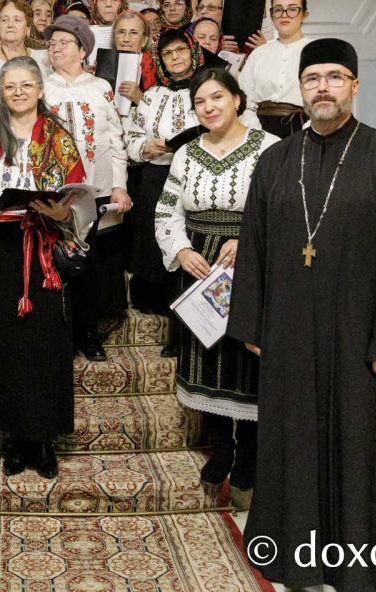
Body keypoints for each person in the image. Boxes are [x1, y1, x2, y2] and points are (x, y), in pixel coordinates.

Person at [227, 38, 376, 592]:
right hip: (290, 332)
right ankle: (297, 559)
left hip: (363, 338)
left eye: (335, 77)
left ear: (354, 85)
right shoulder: (275, 161)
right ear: (301, 90)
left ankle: (364, 564)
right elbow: (254, 244)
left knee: (362, 444)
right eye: (313, 79)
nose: (323, 88)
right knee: (296, 441)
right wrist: (254, 322)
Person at [0, 57, 91, 478]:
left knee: (42, 343)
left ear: (40, 89)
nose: (19, 93)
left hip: (42, 249)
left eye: (26, 85)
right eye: (10, 87)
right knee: (2, 342)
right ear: (2, 92)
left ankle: (41, 440)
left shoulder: (58, 136)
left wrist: (63, 213)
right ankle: (12, 437)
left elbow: (80, 196)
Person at [153, 67, 278, 510]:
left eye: (217, 98)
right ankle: (221, 450)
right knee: (208, 358)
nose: (208, 108)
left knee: (247, 359)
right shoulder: (186, 154)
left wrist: (248, 240)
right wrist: (182, 250)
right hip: (200, 266)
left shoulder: (270, 149)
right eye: (200, 102)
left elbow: (283, 211)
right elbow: (166, 211)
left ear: (237, 99)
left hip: (252, 265)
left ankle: (249, 459)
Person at [43, 15, 132, 361]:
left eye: (64, 42)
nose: (56, 48)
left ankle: (88, 334)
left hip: (95, 190)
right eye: (52, 43)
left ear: (83, 50)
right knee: (54, 262)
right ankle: (58, 335)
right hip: (54, 193)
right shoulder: (41, 87)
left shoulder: (100, 88)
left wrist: (119, 186)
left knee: (90, 264)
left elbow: (116, 141)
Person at [126, 30, 227, 313]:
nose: (175, 57)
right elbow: (131, 138)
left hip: (196, 177)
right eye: (168, 53)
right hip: (155, 176)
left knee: (186, 238)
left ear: (193, 53)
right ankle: (151, 304)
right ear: (160, 61)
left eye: (180, 50)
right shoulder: (151, 96)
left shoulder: (207, 92)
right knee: (151, 239)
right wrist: (146, 147)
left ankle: (185, 306)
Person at [238, 0, 313, 137]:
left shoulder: (316, 50)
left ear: (304, 15)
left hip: (302, 126)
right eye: (278, 10)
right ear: (271, 15)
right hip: (259, 127)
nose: (284, 15)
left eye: (292, 9)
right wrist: (254, 129)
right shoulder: (259, 53)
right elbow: (244, 95)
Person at [111, 11, 152, 105]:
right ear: (114, 38)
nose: (126, 39)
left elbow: (164, 111)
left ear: (144, 41)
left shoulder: (156, 70)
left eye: (133, 33)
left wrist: (140, 99)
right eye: (121, 32)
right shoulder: (102, 65)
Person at [0, 0, 36, 72]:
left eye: (17, 20)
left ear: (28, 28)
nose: (10, 25)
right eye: (4, 20)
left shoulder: (42, 59)